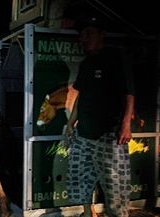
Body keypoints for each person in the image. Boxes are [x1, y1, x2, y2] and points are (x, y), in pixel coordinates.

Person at [65, 15, 135, 217]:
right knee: (79, 176)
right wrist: (71, 123)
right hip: (84, 131)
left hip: (109, 133)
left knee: (115, 183)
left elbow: (129, 92)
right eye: (82, 34)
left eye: (89, 33)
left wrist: (126, 125)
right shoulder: (86, 63)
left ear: (102, 35)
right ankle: (88, 213)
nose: (84, 38)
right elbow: (81, 95)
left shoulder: (116, 57)